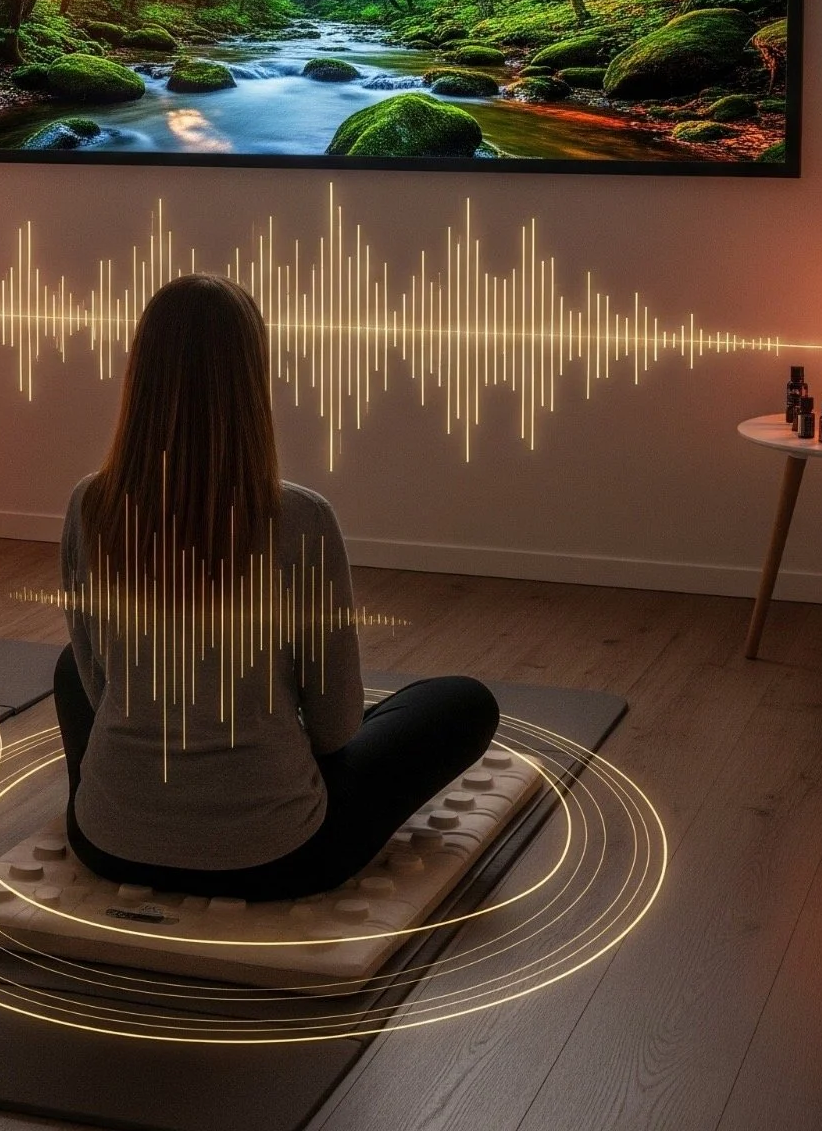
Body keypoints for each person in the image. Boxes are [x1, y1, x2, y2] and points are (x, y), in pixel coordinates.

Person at [54, 273, 499, 902]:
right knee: (461, 703)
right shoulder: (301, 517)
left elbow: (100, 690)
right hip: (281, 857)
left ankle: (134, 801)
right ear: (250, 378)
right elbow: (335, 728)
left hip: (105, 841)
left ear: (139, 373)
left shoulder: (88, 505)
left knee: (71, 666)